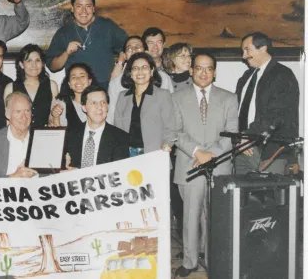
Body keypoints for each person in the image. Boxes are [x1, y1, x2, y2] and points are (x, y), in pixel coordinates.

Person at [171, 53, 238, 277]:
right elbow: (175, 132)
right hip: (189, 164)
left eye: (209, 69)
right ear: (191, 70)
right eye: (199, 68)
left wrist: (212, 155)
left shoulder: (229, 98)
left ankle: (212, 260)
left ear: (215, 72)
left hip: (218, 166)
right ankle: (190, 262)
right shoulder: (177, 97)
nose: (204, 73)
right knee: (190, 215)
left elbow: (231, 135)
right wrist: (198, 152)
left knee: (214, 215)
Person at [235, 32, 299, 174]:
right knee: (240, 195)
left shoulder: (283, 75)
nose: (244, 56)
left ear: (262, 48)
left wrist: (248, 136)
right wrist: (239, 139)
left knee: (269, 195)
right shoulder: (246, 77)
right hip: (242, 149)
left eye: (247, 50)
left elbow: (277, 114)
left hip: (271, 152)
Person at [46, 0, 128, 89]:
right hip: (78, 90)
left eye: (88, 6)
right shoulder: (64, 32)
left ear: (93, 8)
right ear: (72, 8)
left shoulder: (107, 26)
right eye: (79, 6)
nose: (84, 11)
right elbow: (52, 66)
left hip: (106, 89)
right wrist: (66, 53)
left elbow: (128, 45)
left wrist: (119, 65)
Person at [114, 52, 176, 156]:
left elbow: (171, 128)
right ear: (130, 73)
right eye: (135, 68)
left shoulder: (163, 95)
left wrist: (166, 146)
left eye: (144, 67)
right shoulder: (122, 97)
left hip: (155, 154)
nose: (140, 71)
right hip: (127, 155)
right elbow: (117, 128)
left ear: (151, 71)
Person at [108, 35, 174, 123]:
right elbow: (112, 114)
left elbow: (171, 111)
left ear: (146, 52)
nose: (134, 50)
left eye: (137, 47)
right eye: (129, 48)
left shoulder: (163, 78)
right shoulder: (116, 82)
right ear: (125, 55)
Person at [66, 85, 129, 169]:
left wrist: (80, 174)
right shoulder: (69, 135)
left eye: (103, 102)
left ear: (108, 106)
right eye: (93, 103)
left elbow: (119, 172)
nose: (99, 107)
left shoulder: (121, 137)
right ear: (84, 108)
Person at [0, 92, 38, 178]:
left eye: (27, 111)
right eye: (18, 112)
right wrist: (13, 177)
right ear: (7, 114)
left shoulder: (40, 138)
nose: (24, 117)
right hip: (8, 191)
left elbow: (52, 173)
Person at [4, 44, 58, 128]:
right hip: (19, 138)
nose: (34, 65)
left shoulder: (52, 85)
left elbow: (53, 117)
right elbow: (7, 121)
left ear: (42, 63)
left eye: (37, 60)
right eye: (29, 61)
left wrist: (52, 123)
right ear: (21, 64)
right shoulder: (10, 88)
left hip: (43, 137)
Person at [50, 63, 96, 128]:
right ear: (69, 84)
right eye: (73, 77)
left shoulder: (98, 102)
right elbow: (58, 134)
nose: (78, 79)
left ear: (89, 81)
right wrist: (56, 117)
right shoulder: (61, 104)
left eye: (82, 76)